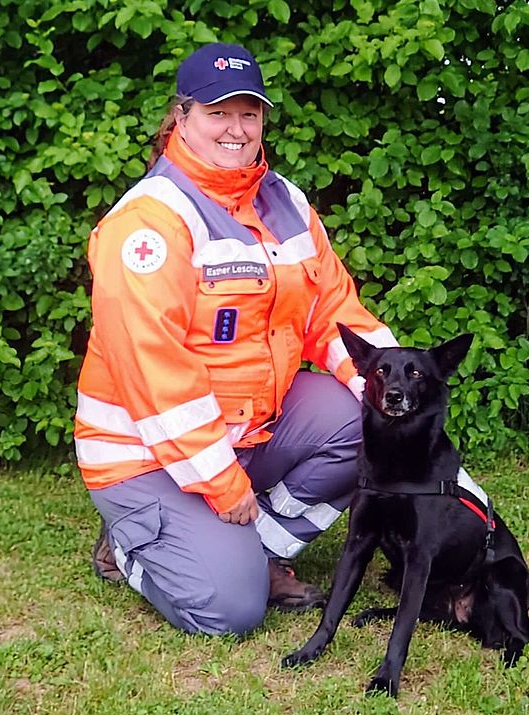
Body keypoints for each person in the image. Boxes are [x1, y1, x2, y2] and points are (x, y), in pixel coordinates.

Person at [73, 42, 396, 636]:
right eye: (217, 112)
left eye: (249, 112)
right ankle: (128, 546)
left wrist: (398, 392)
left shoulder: (287, 202)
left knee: (373, 422)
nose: (236, 128)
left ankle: (261, 550)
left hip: (245, 428)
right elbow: (156, 376)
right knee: (230, 612)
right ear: (181, 118)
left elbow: (333, 313)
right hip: (144, 453)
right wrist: (221, 484)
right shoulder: (147, 223)